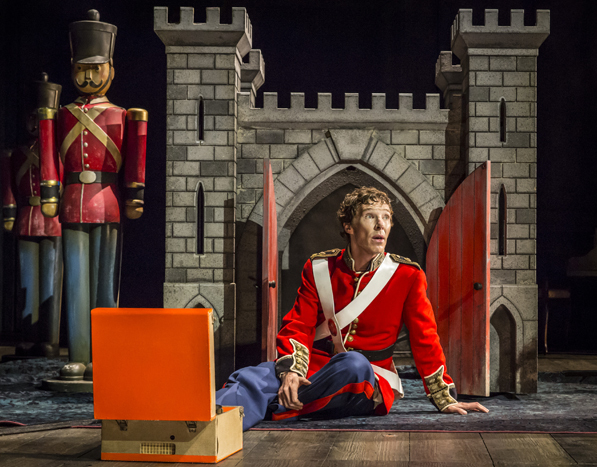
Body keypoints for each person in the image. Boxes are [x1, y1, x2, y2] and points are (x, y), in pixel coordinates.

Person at [217, 186, 488, 430]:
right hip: (316, 367)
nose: (381, 225)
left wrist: (443, 397)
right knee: (255, 375)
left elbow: (425, 338)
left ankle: (270, 407)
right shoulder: (319, 267)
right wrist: (291, 372)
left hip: (368, 379)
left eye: (386, 218)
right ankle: (209, 422)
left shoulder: (407, 275)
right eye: (371, 216)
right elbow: (299, 325)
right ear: (348, 225)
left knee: (354, 364)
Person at [38, 10, 147, 383]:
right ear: (72, 68)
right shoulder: (62, 115)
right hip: (71, 200)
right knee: (76, 287)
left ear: (110, 69)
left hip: (109, 200)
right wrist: (49, 191)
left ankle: (103, 355)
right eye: (82, 68)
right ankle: (79, 356)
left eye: (95, 68)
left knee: (105, 285)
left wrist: (135, 192)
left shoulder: (122, 115)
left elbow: (133, 158)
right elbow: (50, 155)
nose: (88, 75)